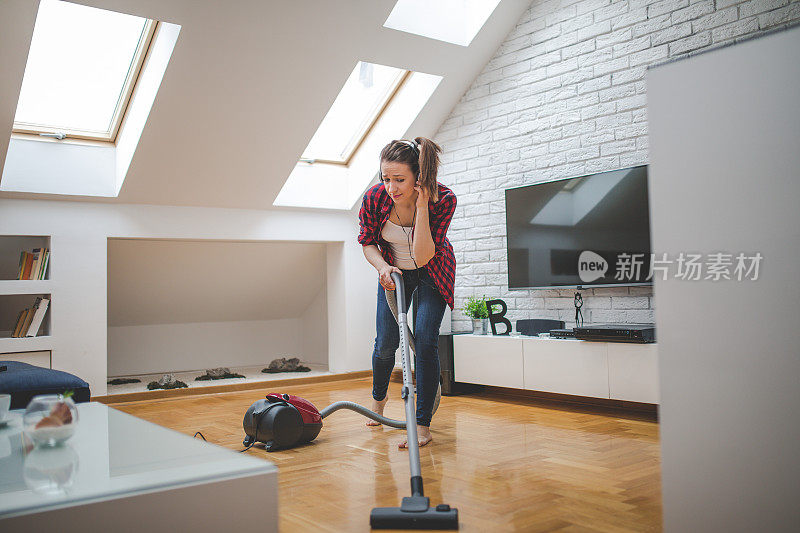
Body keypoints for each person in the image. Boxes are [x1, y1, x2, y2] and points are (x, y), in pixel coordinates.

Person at [357, 137, 457, 449]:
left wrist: (423, 205)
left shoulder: (443, 200)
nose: (391, 187)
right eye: (385, 178)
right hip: (393, 272)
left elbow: (426, 255)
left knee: (425, 342)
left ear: (418, 178)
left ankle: (422, 424)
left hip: (432, 271)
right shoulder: (375, 198)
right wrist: (382, 267)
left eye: (400, 180)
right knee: (385, 343)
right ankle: (378, 400)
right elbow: (367, 241)